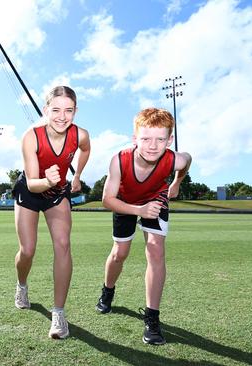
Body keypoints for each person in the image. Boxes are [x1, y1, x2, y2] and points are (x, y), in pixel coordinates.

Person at [95, 107, 192, 345]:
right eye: (146, 138)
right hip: (125, 202)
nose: (152, 145)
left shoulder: (173, 159)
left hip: (156, 198)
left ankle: (152, 318)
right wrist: (138, 210)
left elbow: (187, 159)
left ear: (170, 140)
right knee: (120, 253)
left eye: (160, 139)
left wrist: (177, 182)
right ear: (134, 138)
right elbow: (107, 200)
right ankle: (108, 290)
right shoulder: (119, 160)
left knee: (156, 249)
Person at [12, 86, 91, 339]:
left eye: (68, 110)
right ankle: (22, 286)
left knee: (63, 244)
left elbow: (86, 150)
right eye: (55, 109)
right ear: (46, 110)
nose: (61, 116)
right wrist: (47, 180)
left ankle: (58, 314)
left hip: (57, 194)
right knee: (28, 250)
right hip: (31, 190)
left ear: (75, 111)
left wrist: (77, 175)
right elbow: (34, 181)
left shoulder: (80, 135)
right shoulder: (31, 137)